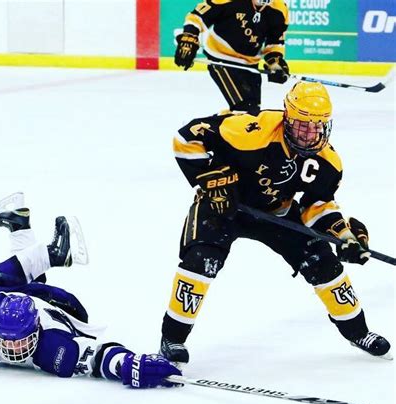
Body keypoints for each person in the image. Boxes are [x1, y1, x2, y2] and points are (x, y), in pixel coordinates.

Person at [158, 81, 391, 365]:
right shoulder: (251, 130)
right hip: (224, 206)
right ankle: (173, 338)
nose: (309, 134)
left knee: (325, 264)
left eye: (317, 126)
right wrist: (211, 177)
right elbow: (186, 139)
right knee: (200, 261)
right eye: (302, 124)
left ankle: (358, 332)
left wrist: (344, 235)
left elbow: (316, 205)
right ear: (286, 117)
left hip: (276, 212)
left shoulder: (328, 162)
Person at [0, 193, 182, 388]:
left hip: (58, 302)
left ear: (35, 331)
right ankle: (23, 231)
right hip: (15, 294)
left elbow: (96, 356)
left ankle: (49, 252)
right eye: (8, 340)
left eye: (19, 341)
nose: (13, 348)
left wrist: (128, 363)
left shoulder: (54, 345)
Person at [174, 0, 290, 114]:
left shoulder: (279, 9)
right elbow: (198, 16)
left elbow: (274, 42)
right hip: (221, 59)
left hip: (250, 64)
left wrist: (276, 62)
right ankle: (202, 129)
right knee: (244, 108)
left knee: (251, 114)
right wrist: (189, 37)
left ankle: (213, 127)